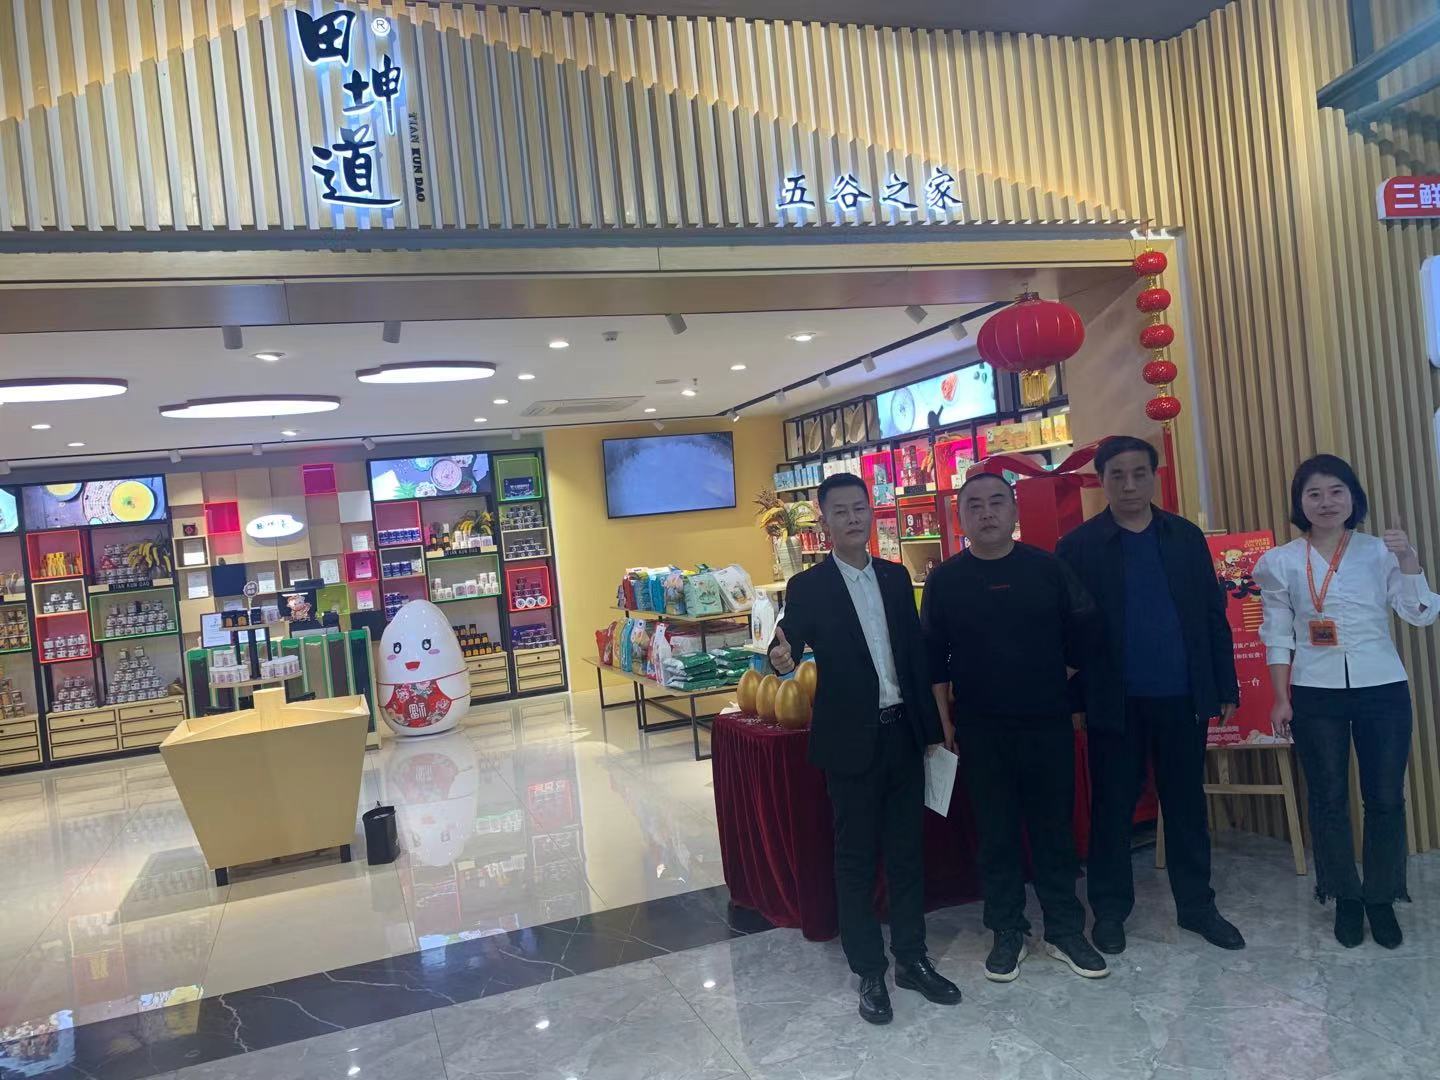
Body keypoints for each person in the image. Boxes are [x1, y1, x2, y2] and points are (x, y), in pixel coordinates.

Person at [769, 472, 961, 1025]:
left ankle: (912, 959)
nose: (853, 519)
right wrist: (779, 658)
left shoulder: (897, 578)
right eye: (841, 511)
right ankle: (870, 971)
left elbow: (916, 658)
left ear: (871, 513)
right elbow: (785, 643)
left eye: (860, 508)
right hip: (850, 742)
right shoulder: (809, 587)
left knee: (906, 853)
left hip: (903, 734)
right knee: (854, 859)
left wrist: (936, 728)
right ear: (824, 520)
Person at [1056, 435, 1245, 954]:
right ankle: (1110, 911)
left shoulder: (1184, 537)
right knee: (1112, 809)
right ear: (1101, 481)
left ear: (1154, 476)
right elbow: (1067, 633)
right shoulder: (1078, 547)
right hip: (1114, 702)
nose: (1129, 485)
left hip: (1182, 696)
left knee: (1185, 805)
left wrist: (1223, 683)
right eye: (1117, 475)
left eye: (1139, 473)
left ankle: (1197, 906)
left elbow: (1212, 614)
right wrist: (1076, 702)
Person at [922, 473, 1109, 983]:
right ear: (961, 517)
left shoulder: (1047, 568)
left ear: (1013, 511)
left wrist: (1054, 675)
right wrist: (944, 721)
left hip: (1047, 722)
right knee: (995, 834)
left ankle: (1064, 930)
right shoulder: (946, 580)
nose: (987, 513)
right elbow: (932, 656)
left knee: (1054, 831)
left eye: (996, 503)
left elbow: (1088, 628)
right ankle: (1007, 930)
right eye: (975, 505)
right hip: (980, 727)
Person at [1255, 455, 1438, 949]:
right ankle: (1344, 897)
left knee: (1385, 797)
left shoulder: (1380, 552)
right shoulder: (1281, 562)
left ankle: (1381, 897)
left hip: (1382, 687)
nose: (1326, 502)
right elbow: (1277, 634)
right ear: (1300, 503)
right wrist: (1280, 697)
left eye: (1336, 491)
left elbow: (1420, 613)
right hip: (1315, 692)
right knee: (1328, 797)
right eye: (1313, 493)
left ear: (1353, 497)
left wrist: (1409, 560)